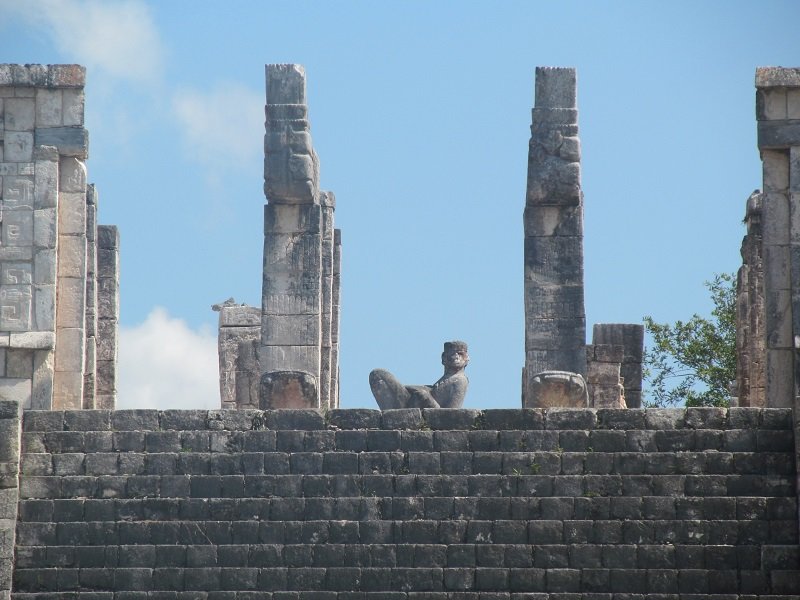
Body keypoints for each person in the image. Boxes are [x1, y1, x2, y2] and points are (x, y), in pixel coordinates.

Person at [369, 341, 469, 409]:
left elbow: (450, 414)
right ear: (444, 358)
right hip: (411, 403)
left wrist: (425, 397)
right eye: (452, 354)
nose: (456, 357)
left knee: (379, 375)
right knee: (378, 375)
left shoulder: (460, 380)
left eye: (460, 354)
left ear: (467, 358)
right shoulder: (447, 378)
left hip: (413, 407)